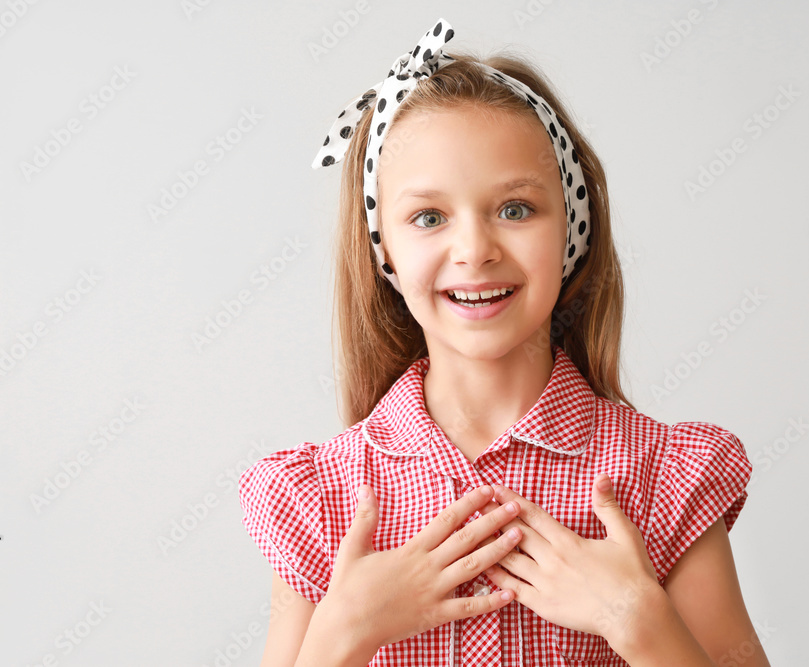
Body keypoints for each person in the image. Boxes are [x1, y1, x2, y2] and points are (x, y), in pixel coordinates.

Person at [238, 17, 771, 667]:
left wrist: (638, 620)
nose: (475, 250)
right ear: (384, 254)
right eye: (429, 217)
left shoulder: (664, 478)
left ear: (571, 233)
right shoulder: (320, 498)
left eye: (515, 208)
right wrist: (343, 629)